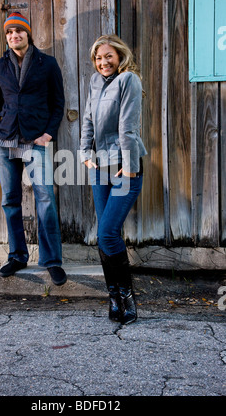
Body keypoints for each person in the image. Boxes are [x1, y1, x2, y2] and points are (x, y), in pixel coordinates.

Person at [0, 12, 67, 286]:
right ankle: (17, 255)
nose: (14, 36)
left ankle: (51, 260)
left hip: (35, 140)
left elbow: (58, 102)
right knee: (10, 201)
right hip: (6, 139)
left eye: (19, 31)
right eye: (9, 32)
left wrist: (48, 134)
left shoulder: (47, 64)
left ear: (27, 34)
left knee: (45, 198)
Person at [80, 35, 147, 324]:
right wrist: (84, 152)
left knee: (107, 232)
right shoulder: (95, 82)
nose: (103, 62)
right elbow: (88, 120)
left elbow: (127, 126)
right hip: (100, 167)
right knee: (105, 236)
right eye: (98, 58)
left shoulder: (129, 80)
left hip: (124, 167)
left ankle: (128, 298)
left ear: (119, 55)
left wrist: (130, 165)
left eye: (108, 56)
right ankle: (114, 297)